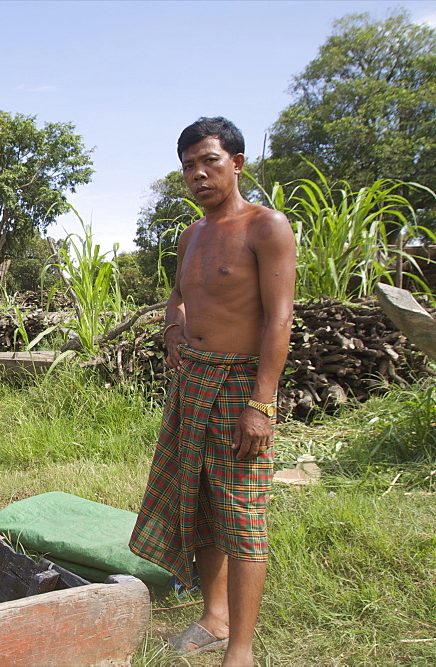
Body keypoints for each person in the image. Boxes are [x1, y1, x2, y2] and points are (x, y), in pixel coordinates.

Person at [129, 117, 296, 667]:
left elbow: (278, 321)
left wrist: (261, 404)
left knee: (242, 514)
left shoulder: (265, 227)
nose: (197, 174)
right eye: (187, 167)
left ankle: (241, 649)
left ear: (237, 164)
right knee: (196, 503)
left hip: (239, 386)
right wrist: (174, 327)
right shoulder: (190, 235)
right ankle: (214, 617)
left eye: (209, 161)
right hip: (191, 380)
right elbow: (179, 296)